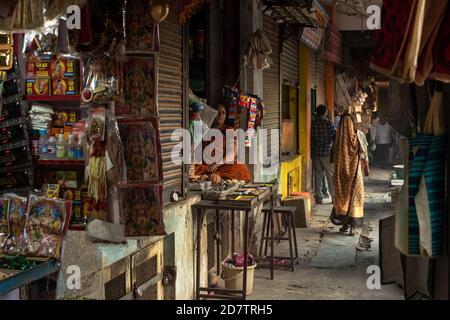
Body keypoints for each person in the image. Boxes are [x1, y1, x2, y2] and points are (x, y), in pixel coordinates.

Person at [191, 104, 252, 184]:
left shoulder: (229, 130)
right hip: (208, 166)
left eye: (223, 113)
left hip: (223, 164)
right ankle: (211, 176)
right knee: (193, 168)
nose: (220, 115)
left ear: (225, 116)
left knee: (240, 168)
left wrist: (217, 164)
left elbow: (232, 152)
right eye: (218, 113)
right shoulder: (206, 129)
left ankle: (215, 176)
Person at [332, 112, 365, 235]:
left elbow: (333, 155)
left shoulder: (338, 139)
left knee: (343, 197)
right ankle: (352, 226)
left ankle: (345, 224)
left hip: (341, 173)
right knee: (355, 197)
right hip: (355, 174)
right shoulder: (357, 137)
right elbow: (363, 153)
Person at [311, 105, 336, 204]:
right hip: (326, 152)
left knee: (318, 174)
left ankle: (319, 197)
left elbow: (311, 137)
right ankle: (333, 197)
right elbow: (335, 135)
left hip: (316, 152)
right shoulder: (329, 123)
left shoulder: (313, 123)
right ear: (325, 113)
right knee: (330, 175)